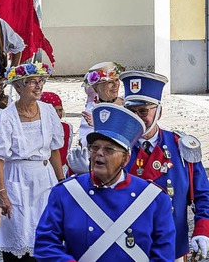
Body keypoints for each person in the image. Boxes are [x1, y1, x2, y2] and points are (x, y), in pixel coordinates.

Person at [34, 103, 176, 261]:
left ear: (125, 159)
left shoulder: (155, 199)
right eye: (95, 148)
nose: (99, 154)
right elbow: (45, 244)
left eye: (109, 149)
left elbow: (164, 254)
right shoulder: (65, 193)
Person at [121, 71, 209, 260]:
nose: (137, 118)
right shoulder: (115, 148)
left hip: (172, 247)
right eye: (131, 111)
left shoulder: (180, 146)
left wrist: (202, 230)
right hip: (126, 247)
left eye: (143, 111)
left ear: (159, 111)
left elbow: (203, 195)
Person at [0, 63, 64, 261]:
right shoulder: (5, 117)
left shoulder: (48, 111)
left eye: (41, 81)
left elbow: (55, 150)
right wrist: (2, 193)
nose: (38, 86)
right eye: (32, 82)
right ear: (18, 87)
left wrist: (62, 183)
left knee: (46, 232)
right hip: (16, 178)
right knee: (18, 234)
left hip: (44, 177)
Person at [79, 61, 125, 146]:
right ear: (96, 88)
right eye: (109, 82)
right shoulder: (92, 111)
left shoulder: (127, 104)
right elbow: (85, 143)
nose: (115, 85)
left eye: (117, 80)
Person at [39, 91, 72, 178]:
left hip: (63, 169)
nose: (57, 114)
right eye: (54, 110)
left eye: (60, 110)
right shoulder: (39, 129)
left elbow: (67, 149)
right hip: (46, 170)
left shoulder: (67, 127)